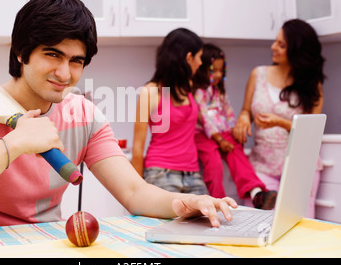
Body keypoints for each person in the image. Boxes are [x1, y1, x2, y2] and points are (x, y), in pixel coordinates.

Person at [0, 0, 237, 239]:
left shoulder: (84, 115)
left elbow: (135, 193)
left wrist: (185, 202)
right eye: (53, 54)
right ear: (22, 53)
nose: (65, 73)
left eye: (76, 60)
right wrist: (12, 146)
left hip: (49, 244)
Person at [232, 19, 325, 217]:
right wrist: (243, 119)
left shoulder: (311, 85)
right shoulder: (258, 74)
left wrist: (279, 122)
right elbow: (245, 110)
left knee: (299, 226)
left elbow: (311, 132)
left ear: (297, 51)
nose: (273, 47)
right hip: (262, 164)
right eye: (275, 42)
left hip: (299, 165)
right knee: (256, 222)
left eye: (281, 45)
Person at [192, 43, 277, 209]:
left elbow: (228, 113)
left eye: (220, 70)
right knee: (214, 163)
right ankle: (218, 202)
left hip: (222, 133)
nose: (217, 75)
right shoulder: (198, 93)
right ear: (203, 69)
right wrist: (219, 139)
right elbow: (205, 120)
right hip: (204, 136)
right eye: (213, 71)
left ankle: (256, 193)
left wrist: (234, 130)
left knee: (236, 151)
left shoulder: (219, 92)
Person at [131, 28, 209, 195]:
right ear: (189, 57)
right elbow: (138, 148)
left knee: (209, 218)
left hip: (193, 173)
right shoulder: (151, 91)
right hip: (160, 173)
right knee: (168, 222)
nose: (201, 63)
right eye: (199, 57)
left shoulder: (188, 88)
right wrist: (137, 192)